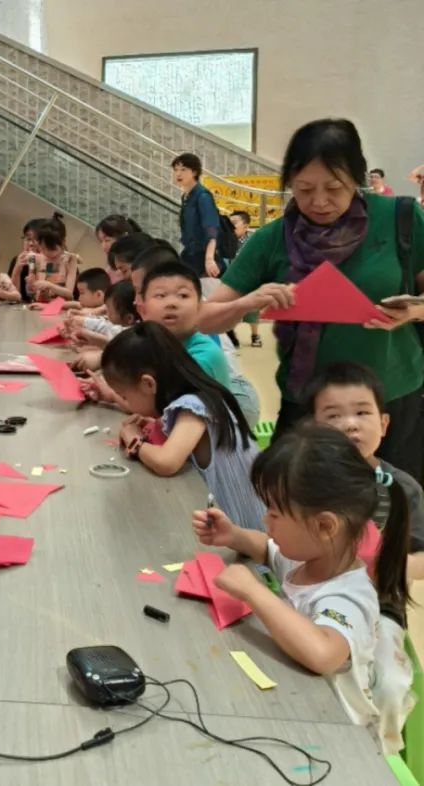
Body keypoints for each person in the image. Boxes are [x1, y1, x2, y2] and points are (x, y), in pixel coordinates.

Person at [197, 119, 424, 478]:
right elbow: (204, 319)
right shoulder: (272, 239)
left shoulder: (400, 218)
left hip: (392, 401)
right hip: (310, 406)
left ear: (358, 178)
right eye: (303, 189)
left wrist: (414, 310)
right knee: (311, 511)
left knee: (397, 512)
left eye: (334, 187)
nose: (319, 202)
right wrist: (247, 302)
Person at [195, 424, 413, 754]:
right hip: (294, 702)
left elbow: (323, 654)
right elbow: (269, 549)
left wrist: (255, 593)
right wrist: (235, 535)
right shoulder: (308, 560)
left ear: (325, 526)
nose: (266, 522)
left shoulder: (349, 597)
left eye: (274, 513)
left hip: (335, 735)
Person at [102, 322, 265, 530]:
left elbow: (167, 462)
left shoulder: (194, 405)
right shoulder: (192, 394)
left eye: (124, 396)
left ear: (148, 384)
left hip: (245, 530)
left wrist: (135, 439)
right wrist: (157, 424)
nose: (125, 402)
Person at [304, 362, 424, 578]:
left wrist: (386, 565)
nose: (351, 424)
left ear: (384, 424)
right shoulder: (301, 479)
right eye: (333, 416)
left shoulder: (402, 487)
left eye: (362, 412)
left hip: (378, 601)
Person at [137, 259, 261, 427]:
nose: (171, 303)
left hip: (236, 402)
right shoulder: (152, 339)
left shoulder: (205, 355)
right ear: (142, 310)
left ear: (200, 309)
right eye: (160, 295)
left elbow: (169, 410)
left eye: (183, 295)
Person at [172, 153, 221, 279]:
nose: (178, 174)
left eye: (183, 169)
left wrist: (209, 259)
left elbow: (211, 229)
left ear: (194, 172)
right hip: (190, 254)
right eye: (176, 169)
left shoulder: (203, 196)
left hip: (203, 256)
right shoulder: (186, 196)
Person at [61, 280, 138, 347]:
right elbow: (104, 322)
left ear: (129, 318)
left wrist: (83, 331)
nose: (107, 315)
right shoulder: (119, 323)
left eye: (109, 311)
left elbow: (109, 333)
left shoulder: (131, 336)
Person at [28, 215, 82, 303]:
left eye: (52, 249)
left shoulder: (70, 259)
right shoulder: (35, 258)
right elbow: (31, 293)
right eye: (43, 248)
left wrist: (49, 285)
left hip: (59, 308)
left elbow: (69, 294)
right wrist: (30, 284)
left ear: (63, 242)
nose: (47, 253)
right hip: (38, 305)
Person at [228, 210, 262, 348]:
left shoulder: (253, 241)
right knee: (230, 309)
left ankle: (255, 335)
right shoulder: (227, 241)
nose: (231, 227)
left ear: (246, 226)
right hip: (230, 279)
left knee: (252, 309)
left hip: (249, 279)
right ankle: (231, 336)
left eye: (235, 223)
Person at [7, 218, 44, 302]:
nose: (31, 243)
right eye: (28, 239)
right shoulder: (17, 260)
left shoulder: (53, 262)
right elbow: (13, 298)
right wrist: (17, 270)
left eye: (36, 239)